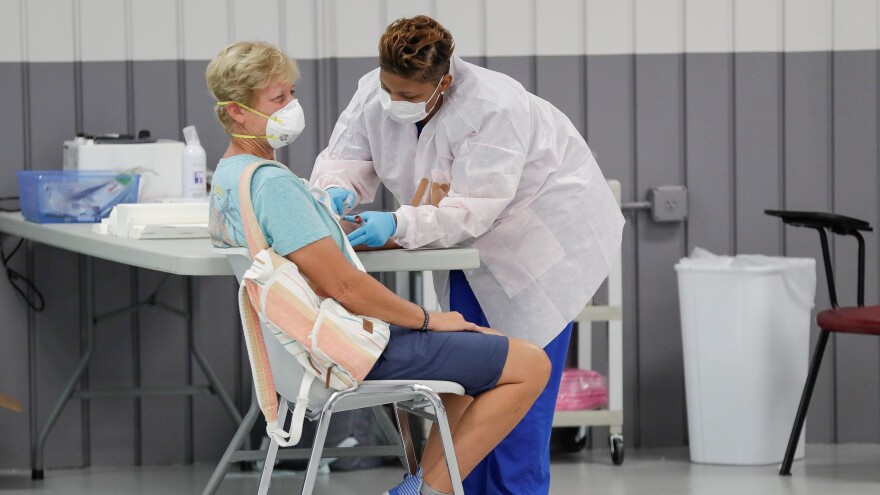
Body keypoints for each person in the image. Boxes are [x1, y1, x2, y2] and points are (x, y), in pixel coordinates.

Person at [205, 41, 551, 495]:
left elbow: (309, 260)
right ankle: (426, 491)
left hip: (301, 352)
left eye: (291, 94)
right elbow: (347, 288)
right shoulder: (275, 186)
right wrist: (431, 320)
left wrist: (326, 221)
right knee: (531, 364)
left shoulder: (230, 178)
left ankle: (421, 486)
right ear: (237, 113)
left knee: (465, 372)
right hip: (349, 349)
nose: (291, 108)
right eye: (277, 100)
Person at [311, 16, 625, 495]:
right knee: (464, 386)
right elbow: (343, 160)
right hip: (464, 250)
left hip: (537, 241)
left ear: (445, 81)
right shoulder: (375, 92)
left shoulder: (495, 107)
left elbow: (470, 211)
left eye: (410, 97)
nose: (395, 104)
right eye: (388, 89)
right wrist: (334, 193)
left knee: (517, 405)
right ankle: (449, 488)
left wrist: (396, 225)